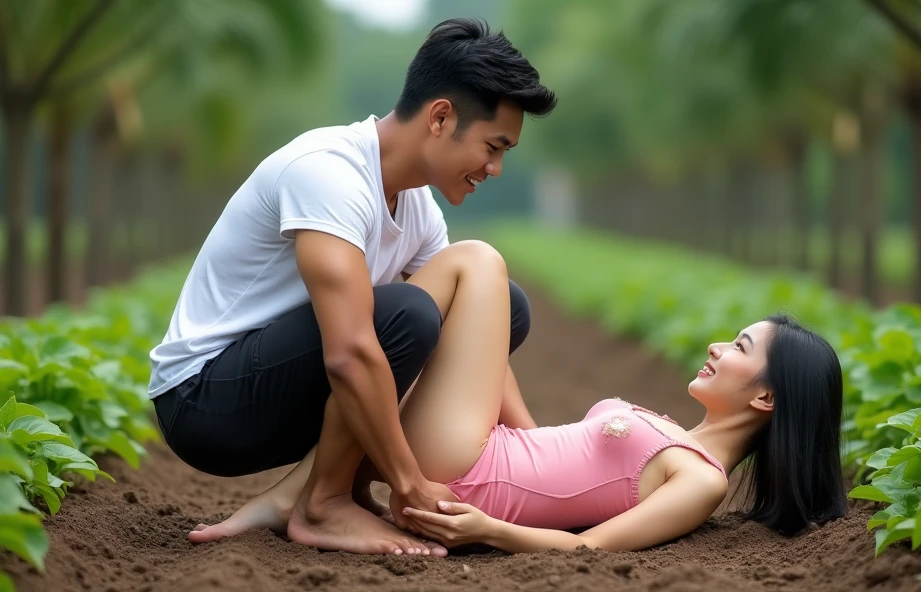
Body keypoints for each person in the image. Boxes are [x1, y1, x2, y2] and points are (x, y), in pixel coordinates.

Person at [147, 19, 556, 556]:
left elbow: (471, 332)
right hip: (204, 401)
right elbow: (348, 354)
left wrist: (540, 455)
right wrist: (408, 483)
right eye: (493, 146)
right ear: (440, 117)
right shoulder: (329, 173)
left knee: (501, 307)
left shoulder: (418, 210)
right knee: (404, 315)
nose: (497, 168)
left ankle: (335, 490)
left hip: (280, 385)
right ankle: (323, 505)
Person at [357, 240, 848, 553]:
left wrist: (485, 530)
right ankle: (336, 484)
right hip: (483, 452)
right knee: (487, 302)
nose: (716, 346)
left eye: (739, 346)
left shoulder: (702, 480)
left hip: (470, 478)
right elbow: (551, 458)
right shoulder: (679, 438)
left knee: (476, 262)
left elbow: (590, 547)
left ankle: (316, 487)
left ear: (766, 398)